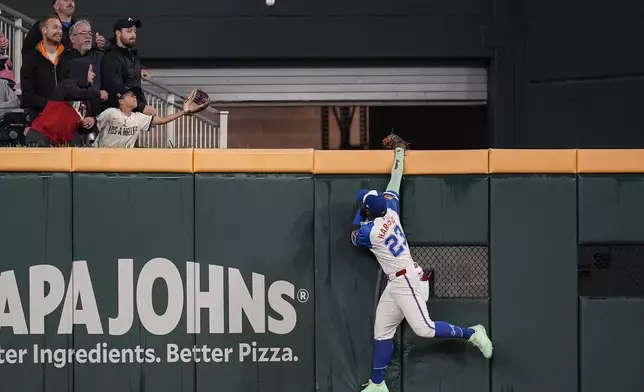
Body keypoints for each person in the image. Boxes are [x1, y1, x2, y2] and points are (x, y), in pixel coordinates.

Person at [350, 136, 493, 392]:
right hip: (395, 282)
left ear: (369, 211)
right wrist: (399, 155)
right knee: (382, 330)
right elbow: (395, 181)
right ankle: (378, 384)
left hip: (406, 280)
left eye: (364, 207)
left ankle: (473, 333)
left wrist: (360, 212)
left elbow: (354, 232)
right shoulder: (391, 210)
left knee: (425, 329)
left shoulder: (369, 232)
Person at [25, 63, 101, 147]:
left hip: (58, 143)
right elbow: (72, 93)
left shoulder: (85, 100)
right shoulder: (66, 85)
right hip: (41, 135)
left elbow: (80, 129)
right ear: (82, 72)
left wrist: (91, 122)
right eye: (90, 70)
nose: (94, 74)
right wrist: (97, 93)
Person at [93, 86, 189, 148]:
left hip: (123, 158)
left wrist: (183, 112)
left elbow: (162, 120)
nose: (135, 97)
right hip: (102, 154)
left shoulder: (138, 117)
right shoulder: (111, 112)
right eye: (130, 95)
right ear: (121, 101)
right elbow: (94, 124)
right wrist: (90, 121)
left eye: (135, 96)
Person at [19, 15, 73, 119]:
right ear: (44, 30)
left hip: (66, 115)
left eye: (61, 28)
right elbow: (28, 93)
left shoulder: (68, 56)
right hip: (40, 116)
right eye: (55, 27)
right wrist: (50, 105)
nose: (59, 31)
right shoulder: (31, 58)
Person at [101, 18, 155, 115]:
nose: (134, 35)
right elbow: (115, 88)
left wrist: (140, 69)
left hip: (131, 111)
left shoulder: (130, 53)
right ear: (118, 33)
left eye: (134, 31)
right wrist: (142, 107)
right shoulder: (112, 57)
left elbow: (131, 78)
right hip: (118, 114)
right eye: (129, 31)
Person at [22, 0, 106, 55]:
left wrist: (98, 47)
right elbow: (27, 50)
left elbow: (85, 53)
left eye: (72, 1)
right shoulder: (45, 25)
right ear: (56, 6)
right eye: (65, 0)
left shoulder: (79, 27)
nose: (70, 3)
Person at [64, 19, 108, 115]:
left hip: (98, 111)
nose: (88, 36)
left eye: (89, 33)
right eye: (83, 33)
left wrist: (101, 49)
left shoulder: (97, 55)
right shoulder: (65, 58)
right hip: (74, 110)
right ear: (72, 38)